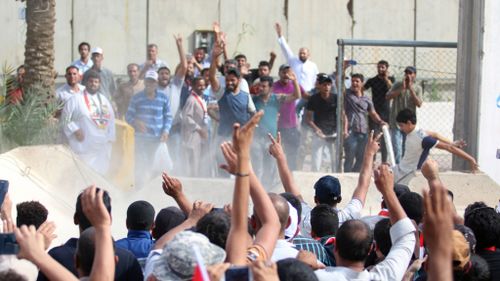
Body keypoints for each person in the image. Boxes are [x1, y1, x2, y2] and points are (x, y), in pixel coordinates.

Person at [315, 164, 417, 281]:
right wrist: (387, 191)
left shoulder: (315, 277)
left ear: (335, 246)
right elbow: (406, 236)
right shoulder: (384, 277)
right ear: (371, 248)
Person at [36, 187, 143, 281]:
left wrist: (36, 253)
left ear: (75, 218)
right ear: (109, 218)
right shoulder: (128, 261)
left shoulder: (55, 257)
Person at [393, 108, 478, 184]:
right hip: (401, 168)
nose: (401, 129)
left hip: (407, 174)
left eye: (401, 125)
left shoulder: (423, 139)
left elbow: (449, 148)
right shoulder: (416, 132)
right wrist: (451, 142)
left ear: (409, 123)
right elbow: (435, 134)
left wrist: (470, 159)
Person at [61, 70, 116, 175]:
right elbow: (65, 118)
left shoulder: (104, 100)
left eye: (96, 82)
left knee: (100, 177)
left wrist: (110, 138)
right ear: (86, 82)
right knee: (84, 177)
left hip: (102, 148)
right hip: (84, 146)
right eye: (91, 81)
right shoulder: (76, 99)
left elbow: (111, 120)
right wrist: (75, 129)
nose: (93, 84)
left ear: (99, 84)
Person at [126, 70, 173, 187]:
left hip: (157, 140)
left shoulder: (163, 98)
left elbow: (168, 117)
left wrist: (166, 131)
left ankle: (154, 190)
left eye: (152, 82)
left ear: (156, 83)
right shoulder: (136, 98)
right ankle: (140, 190)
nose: (150, 85)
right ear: (145, 83)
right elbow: (128, 116)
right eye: (148, 82)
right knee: (141, 166)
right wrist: (135, 122)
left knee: (156, 167)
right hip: (141, 139)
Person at [251, 73, 300, 186]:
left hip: (271, 139)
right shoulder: (254, 100)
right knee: (257, 167)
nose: (261, 88)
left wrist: (294, 81)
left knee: (270, 167)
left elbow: (296, 96)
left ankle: (268, 190)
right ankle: (257, 189)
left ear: (270, 88)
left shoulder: (276, 98)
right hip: (257, 139)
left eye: (264, 86)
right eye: (260, 86)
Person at [209, 39, 256, 142]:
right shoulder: (221, 93)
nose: (229, 82)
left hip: (241, 138)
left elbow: (253, 113)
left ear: (239, 80)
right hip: (224, 138)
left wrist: (249, 128)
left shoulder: (245, 96)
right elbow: (212, 77)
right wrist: (214, 58)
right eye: (227, 80)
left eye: (232, 80)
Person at [344, 73, 387, 172]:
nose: (354, 83)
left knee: (361, 158)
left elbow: (372, 113)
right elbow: (339, 84)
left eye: (357, 81)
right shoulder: (347, 95)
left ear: (362, 83)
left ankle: (354, 176)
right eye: (353, 81)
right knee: (349, 157)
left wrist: (381, 121)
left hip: (363, 132)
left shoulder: (367, 99)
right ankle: (345, 176)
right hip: (351, 131)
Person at [305, 73, 343, 172]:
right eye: (324, 85)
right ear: (319, 86)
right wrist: (317, 130)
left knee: (335, 160)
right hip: (319, 133)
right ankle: (315, 180)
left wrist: (344, 129)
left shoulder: (336, 98)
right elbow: (308, 119)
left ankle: (336, 178)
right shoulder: (313, 99)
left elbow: (343, 116)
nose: (326, 87)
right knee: (316, 161)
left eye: (328, 85)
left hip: (333, 132)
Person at [386, 66, 423, 164]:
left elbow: (419, 104)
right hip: (396, 121)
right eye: (406, 73)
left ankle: (404, 167)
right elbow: (388, 97)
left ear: (414, 75)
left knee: (406, 148)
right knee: (397, 148)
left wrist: (411, 89)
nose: (408, 75)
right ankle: (397, 167)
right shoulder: (397, 85)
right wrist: (402, 88)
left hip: (409, 123)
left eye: (410, 73)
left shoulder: (417, 88)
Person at [272, 64, 306, 171]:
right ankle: (274, 176)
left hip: (291, 125)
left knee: (292, 153)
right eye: (284, 72)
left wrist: (295, 80)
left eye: (288, 72)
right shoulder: (273, 86)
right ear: (279, 73)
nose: (286, 75)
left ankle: (291, 174)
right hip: (276, 126)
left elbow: (300, 95)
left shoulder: (295, 85)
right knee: (275, 153)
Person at [364, 60, 394, 162]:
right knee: (375, 137)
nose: (380, 69)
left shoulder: (390, 79)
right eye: (379, 67)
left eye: (382, 67)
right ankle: (372, 160)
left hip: (386, 112)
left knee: (385, 137)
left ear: (387, 68)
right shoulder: (372, 80)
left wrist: (386, 78)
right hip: (374, 112)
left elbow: (392, 88)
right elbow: (362, 89)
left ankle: (384, 161)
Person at [274, 23, 318, 92]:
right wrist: (280, 34)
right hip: (294, 92)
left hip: (308, 93)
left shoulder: (313, 65)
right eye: (300, 53)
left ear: (308, 55)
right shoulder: (293, 60)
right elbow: (285, 48)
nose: (302, 55)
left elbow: (316, 80)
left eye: (304, 53)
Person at [180, 76, 210, 177]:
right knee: (192, 159)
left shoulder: (201, 98)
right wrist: (199, 129)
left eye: (203, 85)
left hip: (200, 135)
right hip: (192, 134)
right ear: (193, 86)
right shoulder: (191, 99)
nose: (202, 87)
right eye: (199, 85)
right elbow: (186, 117)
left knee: (198, 160)